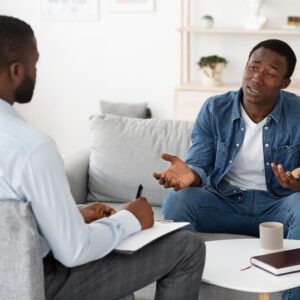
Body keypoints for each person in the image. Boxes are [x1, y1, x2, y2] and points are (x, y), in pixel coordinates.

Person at [0, 15, 206, 300]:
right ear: (15, 71)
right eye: (34, 64)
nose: (36, 72)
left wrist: (72, 218)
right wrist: (129, 219)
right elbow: (75, 251)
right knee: (186, 247)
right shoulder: (31, 148)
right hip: (35, 285)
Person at [154, 39, 300, 300]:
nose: (256, 78)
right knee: (178, 199)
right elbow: (199, 161)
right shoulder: (214, 108)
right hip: (224, 202)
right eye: (253, 67)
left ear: (284, 83)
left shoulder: (298, 112)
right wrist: (192, 174)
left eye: (269, 74)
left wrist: (297, 182)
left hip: (277, 206)